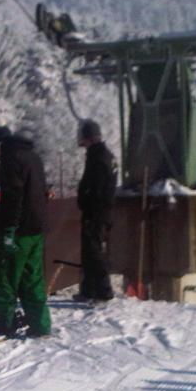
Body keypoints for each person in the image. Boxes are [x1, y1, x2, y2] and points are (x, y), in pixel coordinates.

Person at [0, 125, 51, 339]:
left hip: (19, 230)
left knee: (5, 276)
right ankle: (40, 325)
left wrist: (9, 229)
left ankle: (5, 322)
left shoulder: (10, 158)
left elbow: (13, 196)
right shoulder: (33, 157)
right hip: (37, 229)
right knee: (32, 278)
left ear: (0, 144)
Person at [75, 118, 116, 303]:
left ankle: (104, 290)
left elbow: (96, 188)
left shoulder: (98, 157)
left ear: (89, 138)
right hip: (101, 211)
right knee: (89, 250)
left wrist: (87, 202)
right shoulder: (104, 155)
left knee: (94, 251)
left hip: (96, 212)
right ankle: (89, 290)